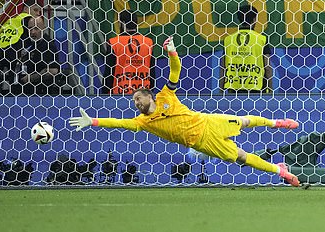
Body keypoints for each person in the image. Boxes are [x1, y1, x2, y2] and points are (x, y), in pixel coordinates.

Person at [69, 37, 300, 187]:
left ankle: (276, 122)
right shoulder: (143, 122)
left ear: (149, 95)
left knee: (244, 120)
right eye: (134, 101)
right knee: (240, 157)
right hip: (201, 141)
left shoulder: (165, 95)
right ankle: (281, 172)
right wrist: (94, 121)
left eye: (138, 98)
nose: (136, 103)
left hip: (207, 121)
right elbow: (119, 123)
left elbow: (176, 69)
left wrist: (172, 51)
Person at [219, 5, 272, 94]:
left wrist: (221, 91)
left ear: (239, 18)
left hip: (234, 89)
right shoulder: (261, 39)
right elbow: (267, 68)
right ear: (254, 19)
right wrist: (270, 91)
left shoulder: (228, 40)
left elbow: (223, 67)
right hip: (257, 88)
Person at [103, 11, 155, 95]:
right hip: (143, 94)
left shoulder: (114, 43)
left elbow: (109, 73)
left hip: (119, 94)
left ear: (122, 23)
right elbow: (152, 72)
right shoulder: (148, 42)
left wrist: (105, 94)